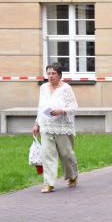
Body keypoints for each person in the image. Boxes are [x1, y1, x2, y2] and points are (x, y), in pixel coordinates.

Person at [32, 63, 79, 193]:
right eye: (49, 73)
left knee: (66, 154)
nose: (51, 76)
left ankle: (72, 176)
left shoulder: (66, 88)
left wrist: (62, 111)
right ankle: (49, 183)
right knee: (47, 154)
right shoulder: (43, 88)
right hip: (46, 125)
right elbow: (40, 107)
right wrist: (36, 123)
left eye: (53, 73)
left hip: (62, 126)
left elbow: (74, 107)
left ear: (59, 75)